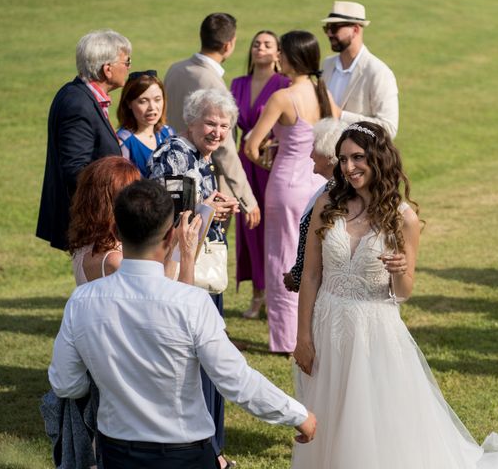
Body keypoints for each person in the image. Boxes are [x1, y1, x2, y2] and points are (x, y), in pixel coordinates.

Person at [291, 122, 498, 468]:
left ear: (377, 158)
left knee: (374, 423)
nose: (349, 167)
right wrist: (303, 336)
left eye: (358, 158)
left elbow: (402, 293)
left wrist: (401, 271)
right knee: (329, 418)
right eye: (342, 159)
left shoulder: (403, 218)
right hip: (327, 322)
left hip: (374, 331)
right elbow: (311, 274)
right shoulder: (328, 202)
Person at [48, 178, 317, 469]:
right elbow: (235, 380)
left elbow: (66, 383)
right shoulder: (190, 303)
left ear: (117, 232)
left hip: (115, 452)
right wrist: (298, 415)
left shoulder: (82, 300)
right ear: (170, 237)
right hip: (183, 453)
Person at [147, 88, 241, 468]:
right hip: (184, 276)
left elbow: (198, 211)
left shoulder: (201, 157)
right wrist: (208, 209)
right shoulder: (174, 155)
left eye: (224, 125)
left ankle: (211, 450)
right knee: (196, 361)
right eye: (210, 123)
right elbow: (173, 226)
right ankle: (205, 453)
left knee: (209, 359)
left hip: (202, 273)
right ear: (191, 121)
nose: (217, 131)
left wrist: (218, 209)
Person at [244, 30, 338, 355]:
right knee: (315, 259)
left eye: (280, 53)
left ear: (292, 57)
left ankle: (285, 339)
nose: (276, 58)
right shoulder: (325, 94)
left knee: (283, 258)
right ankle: (315, 330)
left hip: (286, 185)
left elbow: (251, 145)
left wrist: (268, 160)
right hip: (317, 185)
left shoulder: (283, 97)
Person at [164, 13, 260, 229]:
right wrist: (248, 199)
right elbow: (224, 150)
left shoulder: (174, 70)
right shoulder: (213, 84)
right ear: (229, 44)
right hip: (207, 187)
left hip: (172, 174)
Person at [37, 29, 131, 250]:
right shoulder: (78, 104)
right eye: (127, 62)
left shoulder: (80, 96)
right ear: (107, 69)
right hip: (91, 226)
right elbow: (76, 170)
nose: (129, 68)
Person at [230, 30, 289, 319]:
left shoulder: (284, 85)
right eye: (256, 44)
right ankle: (256, 295)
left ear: (279, 53)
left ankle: (280, 292)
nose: (260, 48)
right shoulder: (237, 83)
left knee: (274, 229)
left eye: (267, 44)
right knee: (248, 229)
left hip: (272, 164)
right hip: (243, 163)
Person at [67, 156, 196, 286]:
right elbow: (163, 298)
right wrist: (186, 253)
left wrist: (173, 244)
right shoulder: (116, 260)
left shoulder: (89, 242)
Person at [283, 117, 348, 293]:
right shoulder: (330, 187)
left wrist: (297, 275)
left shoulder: (333, 193)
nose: (311, 155)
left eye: (314, 148)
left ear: (328, 156)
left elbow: (319, 240)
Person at [321, 1, 399, 138]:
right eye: (327, 27)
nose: (329, 33)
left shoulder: (379, 72)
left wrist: (341, 115)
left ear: (355, 29)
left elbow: (388, 128)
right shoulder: (327, 65)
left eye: (334, 28)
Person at [116, 70, 175, 177]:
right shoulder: (123, 142)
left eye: (157, 99)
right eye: (143, 101)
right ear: (129, 103)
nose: (152, 107)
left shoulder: (168, 133)